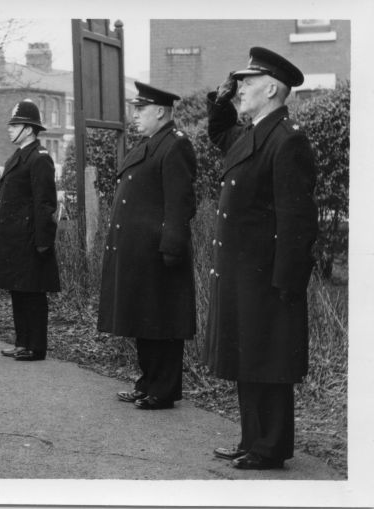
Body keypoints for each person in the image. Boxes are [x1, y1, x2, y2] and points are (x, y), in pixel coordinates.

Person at [203, 47, 318, 470]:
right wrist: (222, 98)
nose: (241, 90)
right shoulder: (255, 132)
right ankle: (252, 439)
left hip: (267, 275)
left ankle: (269, 448)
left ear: (271, 88)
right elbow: (220, 134)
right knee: (249, 357)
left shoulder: (287, 139)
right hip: (244, 272)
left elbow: (298, 219)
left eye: (248, 82)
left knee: (266, 359)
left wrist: (287, 282)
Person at [96, 82, 197, 410]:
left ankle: (163, 390)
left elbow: (179, 203)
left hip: (160, 252)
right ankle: (147, 382)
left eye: (140, 109)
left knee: (162, 323)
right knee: (144, 320)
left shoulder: (175, 146)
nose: (135, 115)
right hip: (140, 252)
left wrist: (171, 248)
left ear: (160, 111)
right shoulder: (150, 144)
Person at [0, 99, 60, 361]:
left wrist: (43, 242)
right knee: (19, 290)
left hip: (30, 238)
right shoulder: (18, 156)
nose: (9, 129)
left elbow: (45, 203)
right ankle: (22, 342)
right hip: (15, 239)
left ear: (28, 129)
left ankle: (35, 346)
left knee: (33, 293)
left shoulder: (39, 159)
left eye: (14, 124)